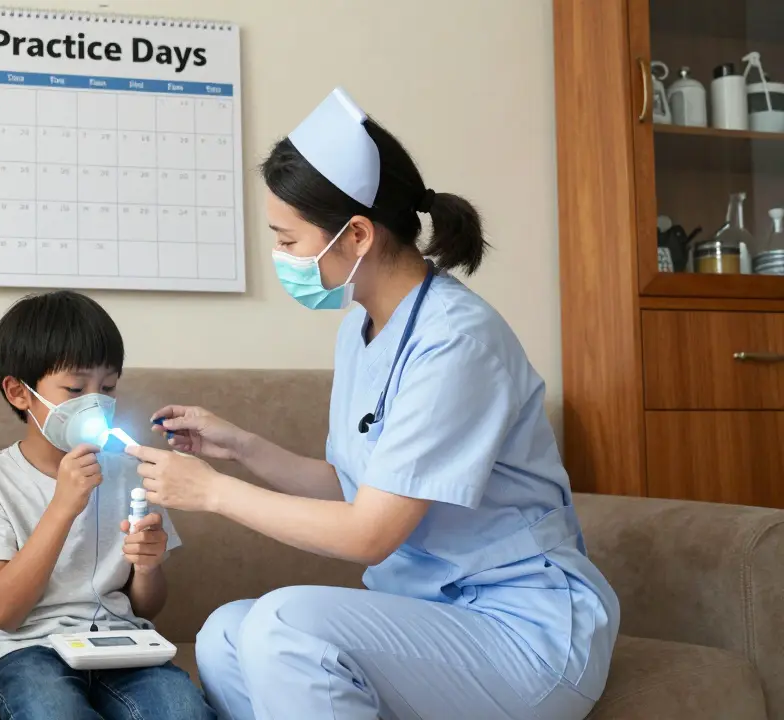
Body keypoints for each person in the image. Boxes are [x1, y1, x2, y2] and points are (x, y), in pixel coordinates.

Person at [126, 87, 620, 720]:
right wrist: (238, 447)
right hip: (436, 617)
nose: (282, 259)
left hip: (527, 632)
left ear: (356, 234)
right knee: (226, 634)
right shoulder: (363, 326)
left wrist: (212, 491)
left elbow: (370, 534)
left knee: (285, 622)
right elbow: (357, 486)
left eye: (288, 240)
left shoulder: (456, 341)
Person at [0, 290, 215, 720]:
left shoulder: (130, 472)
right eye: (75, 388)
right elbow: (4, 612)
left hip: (120, 643)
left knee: (182, 710)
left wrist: (147, 566)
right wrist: (62, 507)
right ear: (19, 393)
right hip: (23, 648)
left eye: (107, 387)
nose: (95, 403)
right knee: (52, 711)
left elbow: (146, 606)